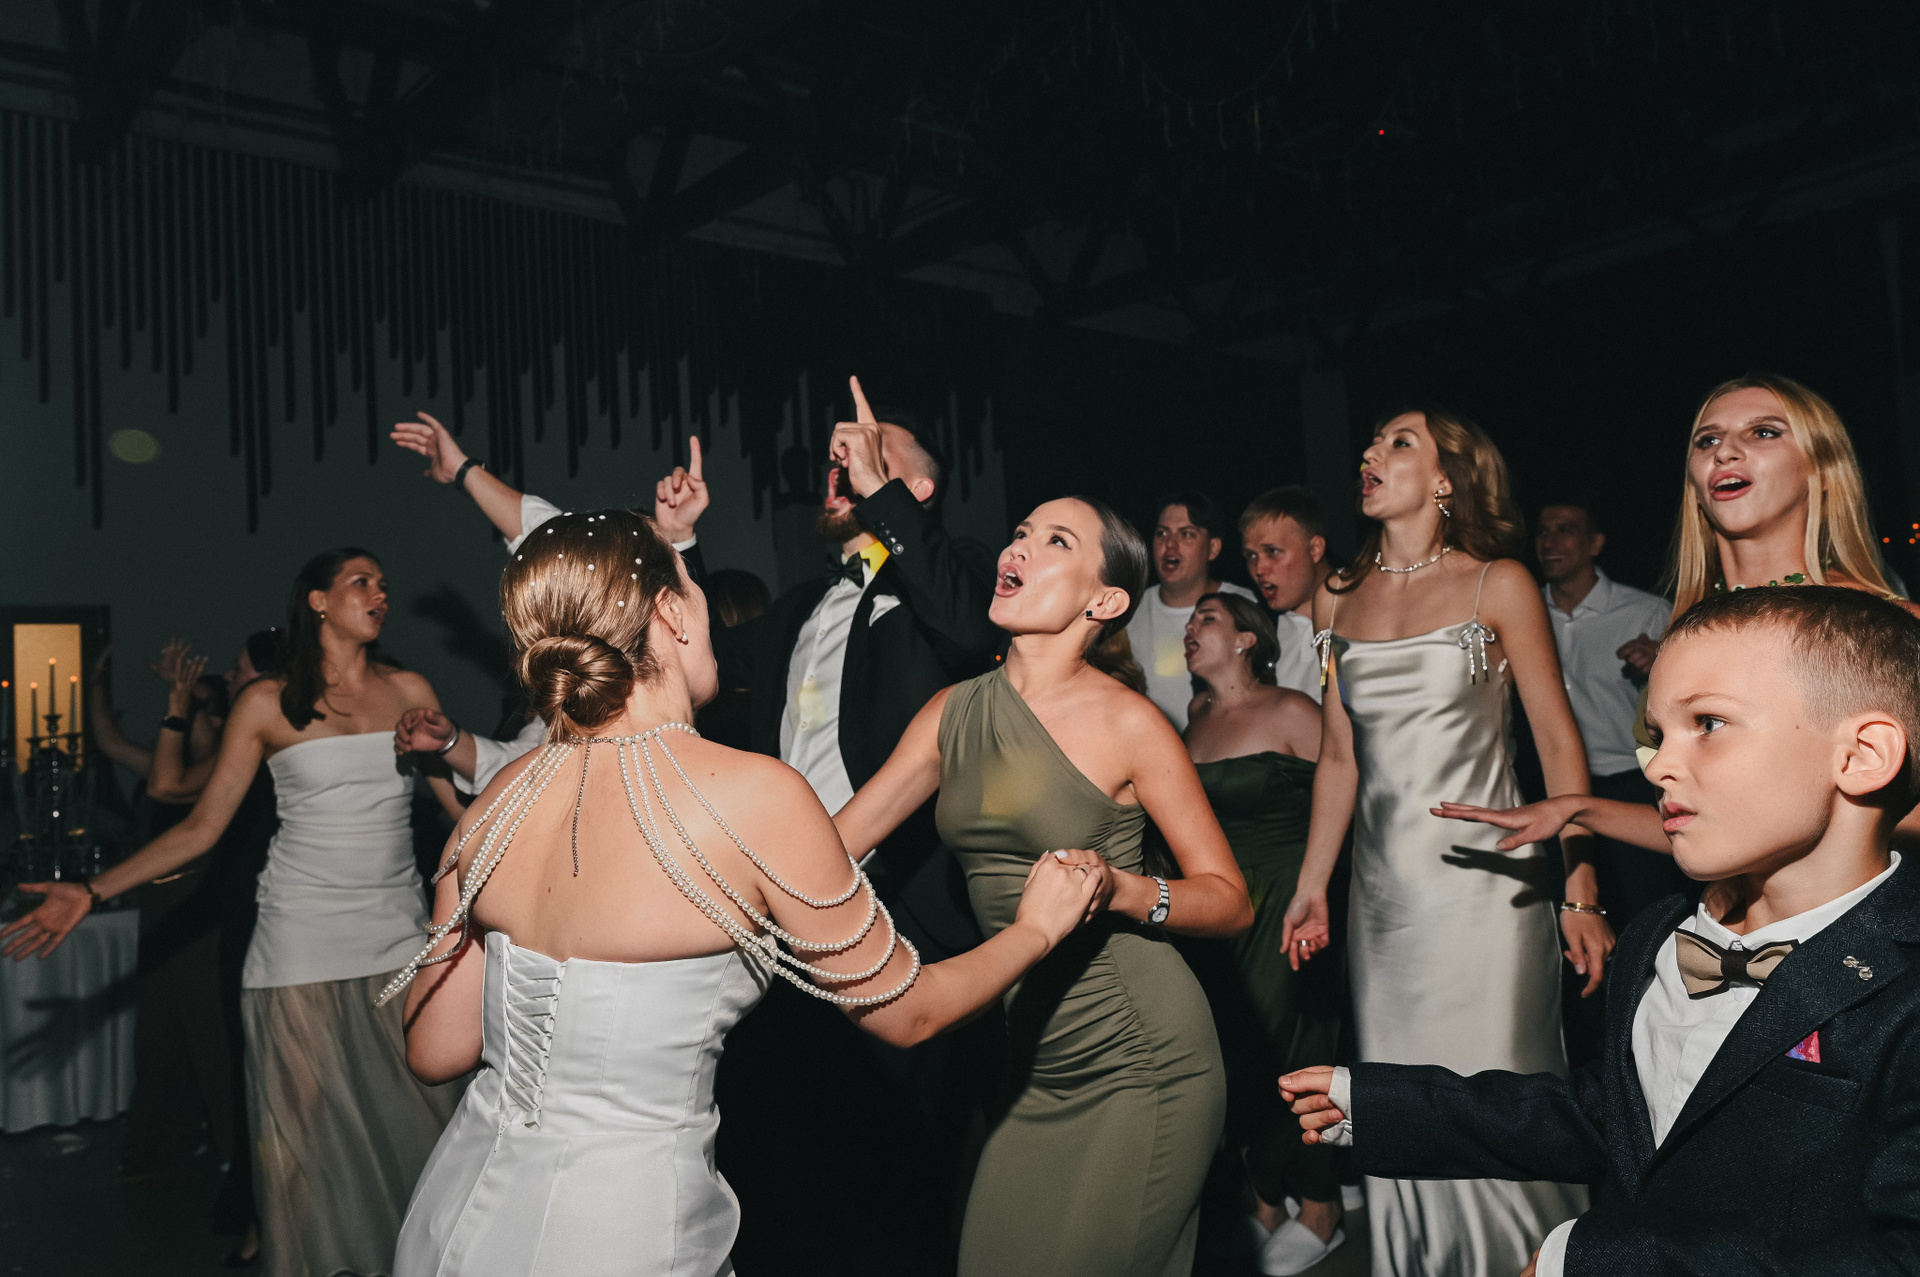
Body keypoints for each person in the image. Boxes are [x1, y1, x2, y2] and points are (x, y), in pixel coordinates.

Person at [386, 507, 1101, 1277]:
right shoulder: (758, 796)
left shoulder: (497, 804)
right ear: (670, 612)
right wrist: (1037, 928)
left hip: (462, 1215)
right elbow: (909, 1011)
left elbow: (435, 1048)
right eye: (692, 589)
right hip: (625, 1233)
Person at [1285, 585, 1920, 1277]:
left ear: (1862, 755)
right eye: (1658, 734)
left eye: (1708, 723)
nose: (1659, 765)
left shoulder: (1905, 991)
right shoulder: (1658, 939)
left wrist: (1591, 1260)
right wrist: (1378, 1105)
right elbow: (1608, 1119)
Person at [3, 550, 463, 1277]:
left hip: (396, 942)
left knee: (421, 1127)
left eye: (383, 584)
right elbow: (199, 826)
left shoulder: (409, 689)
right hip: (297, 948)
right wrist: (92, 892)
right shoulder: (266, 702)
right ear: (317, 601)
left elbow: (462, 813)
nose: (380, 592)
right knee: (305, 1148)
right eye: (361, 581)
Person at [834, 494, 1256, 1277]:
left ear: (1105, 601)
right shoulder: (951, 712)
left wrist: (1122, 889)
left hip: (1142, 1056)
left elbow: (1229, 898)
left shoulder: (1129, 721)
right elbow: (832, 851)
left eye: (1056, 540)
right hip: (1033, 1058)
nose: (1017, 547)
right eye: (1021, 532)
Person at [1277, 407, 1613, 1277]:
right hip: (1382, 903)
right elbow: (1340, 758)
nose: (1370, 452)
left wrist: (1581, 890)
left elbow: (1558, 743)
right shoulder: (1335, 595)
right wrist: (1313, 883)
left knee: (1500, 1090)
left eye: (1400, 442)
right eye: (1371, 441)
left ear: (1445, 480)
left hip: (1490, 890)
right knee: (1394, 1099)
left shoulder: (1497, 583)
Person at [1439, 374, 1920, 857]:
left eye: (1763, 432)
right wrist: (1579, 809)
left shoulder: (1887, 626)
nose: (1725, 452)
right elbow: (1699, 831)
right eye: (1707, 440)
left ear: (1823, 467)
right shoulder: (1682, 634)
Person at [1180, 592, 1341, 1275]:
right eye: (1190, 621)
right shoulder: (1193, 720)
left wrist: (1323, 892)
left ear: (1248, 639)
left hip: (1289, 904)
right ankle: (1268, 1196)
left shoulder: (1293, 710)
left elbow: (1347, 794)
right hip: (1224, 912)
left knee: (1295, 1049)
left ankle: (1323, 1207)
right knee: (1241, 1055)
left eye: (1208, 619)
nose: (1190, 628)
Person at [1533, 502, 1684, 929]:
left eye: (1565, 530)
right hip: (1550, 786)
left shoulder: (1646, 612)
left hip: (1630, 784)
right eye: (1543, 531)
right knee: (1566, 912)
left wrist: (1662, 665)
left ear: (1595, 543)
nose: (1550, 541)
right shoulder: (1526, 612)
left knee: (1646, 915)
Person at [1125, 492, 1258, 728]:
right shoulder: (1128, 610)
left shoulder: (1243, 605)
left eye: (1186, 534)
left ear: (1213, 548)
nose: (1170, 544)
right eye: (1161, 533)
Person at [1239, 487, 1332, 702]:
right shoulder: (1258, 634)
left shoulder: (1369, 602)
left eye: (1272, 552)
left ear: (1315, 549)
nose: (1259, 568)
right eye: (1251, 555)